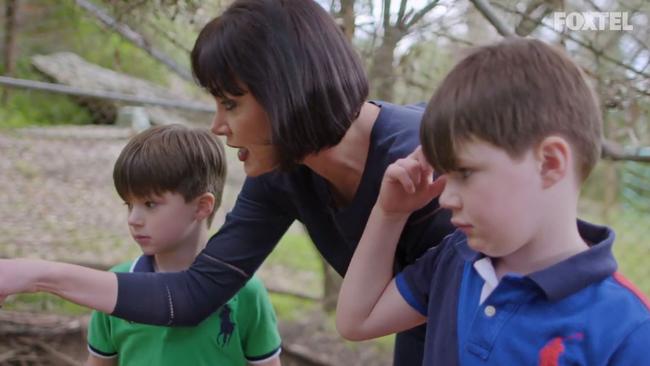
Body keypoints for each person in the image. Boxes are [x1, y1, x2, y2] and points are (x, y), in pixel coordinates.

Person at [0, 1, 454, 364]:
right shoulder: (283, 173)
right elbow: (193, 295)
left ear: (286, 93)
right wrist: (36, 274)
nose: (217, 126)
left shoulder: (427, 161)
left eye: (231, 104)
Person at [336, 38, 650, 365]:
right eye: (445, 175)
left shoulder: (628, 332)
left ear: (550, 163)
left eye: (466, 173)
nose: (445, 198)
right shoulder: (457, 260)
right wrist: (390, 213)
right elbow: (358, 320)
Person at [85, 124, 282, 366]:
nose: (133, 219)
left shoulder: (247, 292)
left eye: (150, 204)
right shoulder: (115, 288)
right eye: (129, 204)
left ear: (201, 206)